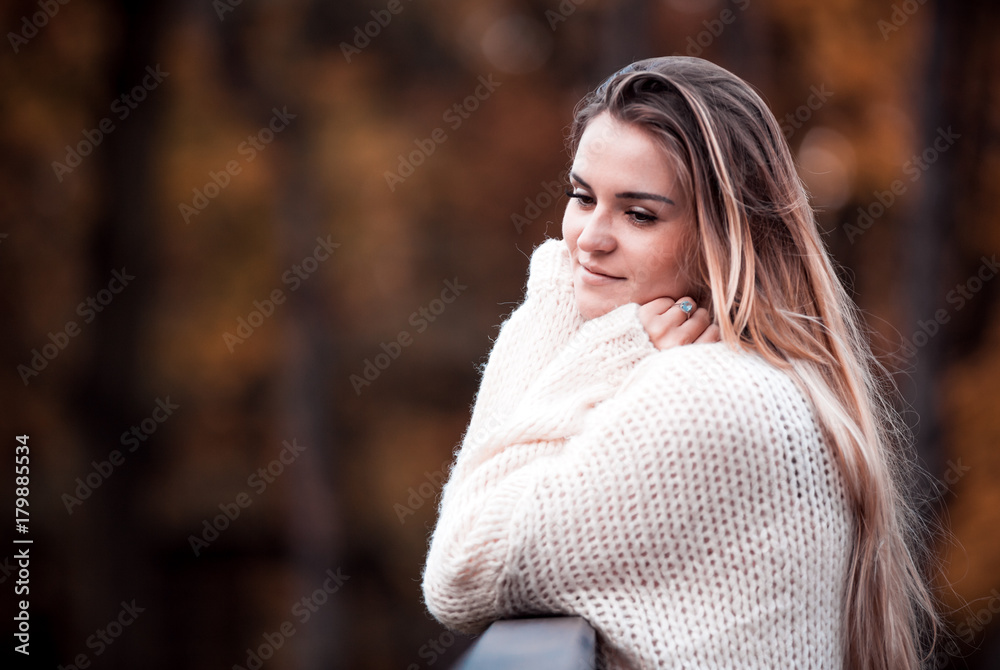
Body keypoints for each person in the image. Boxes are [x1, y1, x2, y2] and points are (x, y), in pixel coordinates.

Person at [422, 56, 937, 669]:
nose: (588, 239)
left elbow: (462, 566)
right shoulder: (752, 376)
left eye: (639, 213)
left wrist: (559, 313)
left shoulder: (706, 395)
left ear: (724, 234)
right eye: (582, 197)